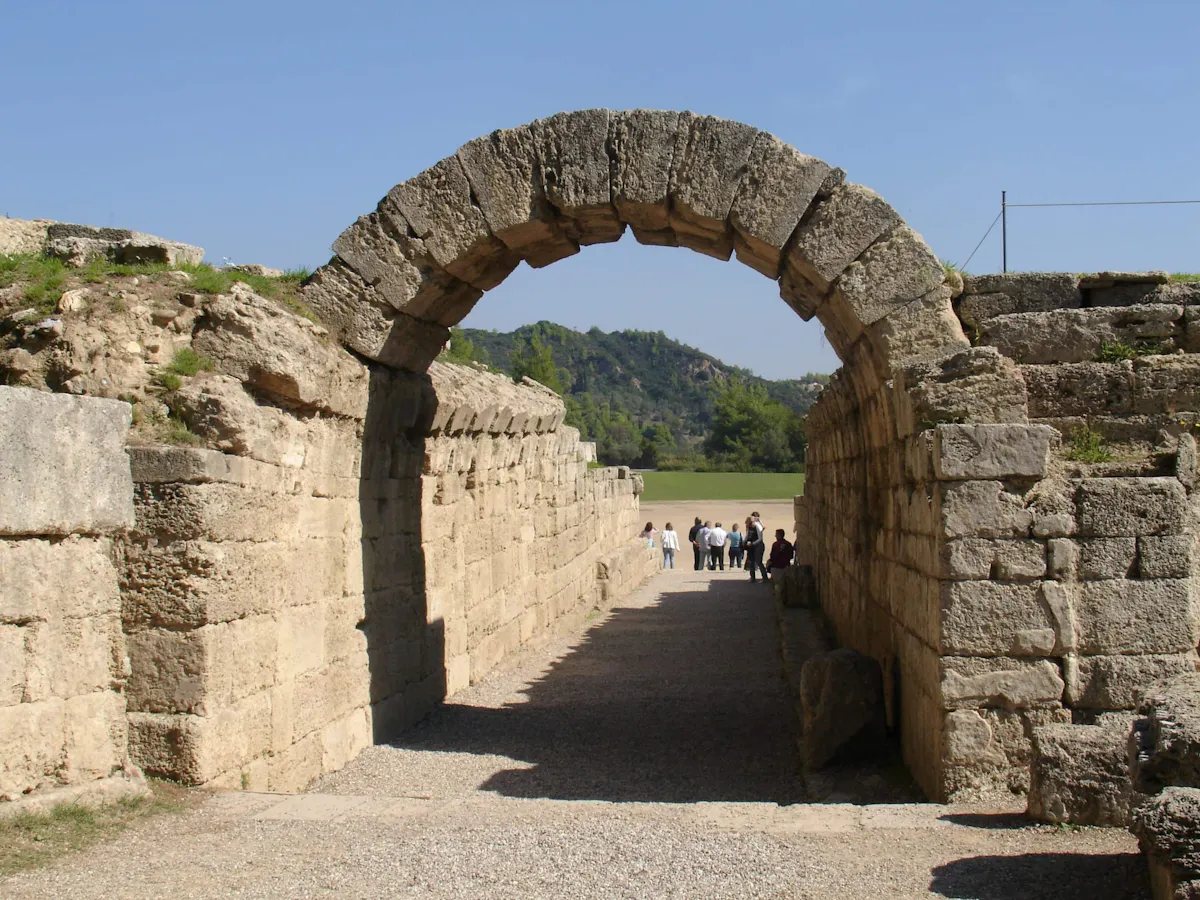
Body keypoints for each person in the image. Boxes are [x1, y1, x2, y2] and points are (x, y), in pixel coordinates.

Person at [747, 512, 769, 583]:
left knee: (758, 561)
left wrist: (752, 543)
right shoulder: (750, 525)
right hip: (752, 546)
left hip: (758, 546)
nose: (751, 518)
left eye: (753, 516)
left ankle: (765, 578)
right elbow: (748, 535)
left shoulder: (757, 525)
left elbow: (760, 538)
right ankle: (752, 577)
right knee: (751, 561)